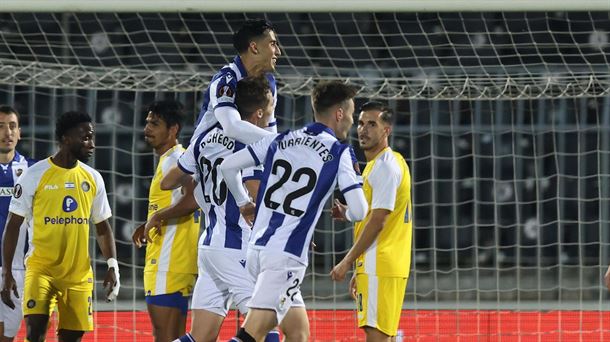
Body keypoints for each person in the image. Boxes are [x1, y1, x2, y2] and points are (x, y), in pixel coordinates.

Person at [220, 81, 369, 342]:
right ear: (339, 114)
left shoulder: (280, 139)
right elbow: (359, 210)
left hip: (257, 249)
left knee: (298, 332)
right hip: (285, 258)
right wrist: (344, 213)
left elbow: (228, 167)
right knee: (251, 334)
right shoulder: (339, 152)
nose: (351, 121)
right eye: (352, 113)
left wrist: (243, 202)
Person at [161, 76, 278, 342]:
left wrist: (199, 181)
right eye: (271, 104)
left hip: (210, 245)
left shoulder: (204, 138)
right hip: (236, 246)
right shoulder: (252, 143)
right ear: (260, 111)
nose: (272, 111)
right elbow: (254, 191)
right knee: (265, 328)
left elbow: (168, 181)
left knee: (200, 336)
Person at [0, 111, 120, 342]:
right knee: (34, 333)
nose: (91, 144)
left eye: (92, 137)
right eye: (85, 138)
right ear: (66, 139)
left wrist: (112, 264)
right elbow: (13, 226)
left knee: (71, 338)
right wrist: (8, 273)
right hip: (40, 269)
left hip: (77, 275)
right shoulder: (34, 175)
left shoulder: (93, 178)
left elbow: (102, 226)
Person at [330, 102, 412, 342]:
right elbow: (375, 214)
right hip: (381, 265)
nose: (363, 130)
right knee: (380, 335)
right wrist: (346, 213)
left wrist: (347, 262)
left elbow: (378, 221)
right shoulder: (385, 163)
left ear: (387, 130)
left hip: (381, 265)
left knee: (376, 336)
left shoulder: (385, 167)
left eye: (372, 124)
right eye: (361, 123)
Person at [131, 100, 199, 342]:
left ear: (173, 130)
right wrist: (151, 218)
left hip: (167, 262)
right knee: (174, 337)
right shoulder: (175, 159)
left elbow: (194, 199)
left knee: (165, 337)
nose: (147, 128)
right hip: (175, 261)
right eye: (148, 122)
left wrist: (158, 216)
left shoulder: (175, 160)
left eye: (155, 124)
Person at [191, 18, 281, 144]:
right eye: (273, 44)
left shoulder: (269, 83)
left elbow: (269, 129)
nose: (278, 51)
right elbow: (232, 128)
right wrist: (281, 142)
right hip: (204, 156)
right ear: (254, 48)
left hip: (240, 156)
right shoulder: (226, 80)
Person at [0, 106, 36, 342]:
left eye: (12, 126)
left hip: (16, 271)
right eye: (1, 126)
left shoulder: (33, 171)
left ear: (20, 132)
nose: (7, 132)